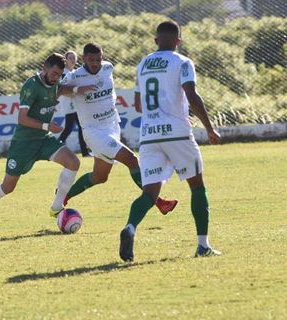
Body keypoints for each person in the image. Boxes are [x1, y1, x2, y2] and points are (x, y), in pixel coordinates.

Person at [119, 21, 222, 262]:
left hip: (149, 135)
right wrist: (209, 127)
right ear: (178, 41)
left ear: (155, 41)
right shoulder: (182, 62)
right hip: (177, 133)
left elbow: (138, 105)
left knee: (150, 193)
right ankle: (203, 245)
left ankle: (130, 227)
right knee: (197, 186)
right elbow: (191, 95)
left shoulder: (143, 64)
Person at [0, 53, 98, 235]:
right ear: (45, 69)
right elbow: (22, 118)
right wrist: (47, 125)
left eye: (60, 75)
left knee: (73, 162)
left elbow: (62, 89)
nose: (56, 78)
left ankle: (56, 206)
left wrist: (80, 89)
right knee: (8, 187)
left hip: (43, 139)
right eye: (54, 73)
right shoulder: (31, 86)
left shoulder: (55, 83)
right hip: (23, 143)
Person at [59, 42, 178, 214]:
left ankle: (63, 195)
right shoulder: (75, 76)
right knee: (131, 160)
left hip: (112, 127)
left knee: (100, 177)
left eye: (98, 59)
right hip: (93, 131)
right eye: (90, 60)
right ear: (83, 59)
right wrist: (78, 89)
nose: (94, 63)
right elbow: (58, 90)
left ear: (103, 58)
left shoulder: (108, 68)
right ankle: (158, 202)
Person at [57, 51, 89, 156]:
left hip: (76, 104)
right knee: (69, 128)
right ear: (65, 60)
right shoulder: (64, 73)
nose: (72, 59)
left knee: (79, 127)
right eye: (70, 57)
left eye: (74, 57)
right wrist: (73, 94)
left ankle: (85, 152)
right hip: (69, 104)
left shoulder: (75, 72)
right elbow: (60, 89)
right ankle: (56, 148)